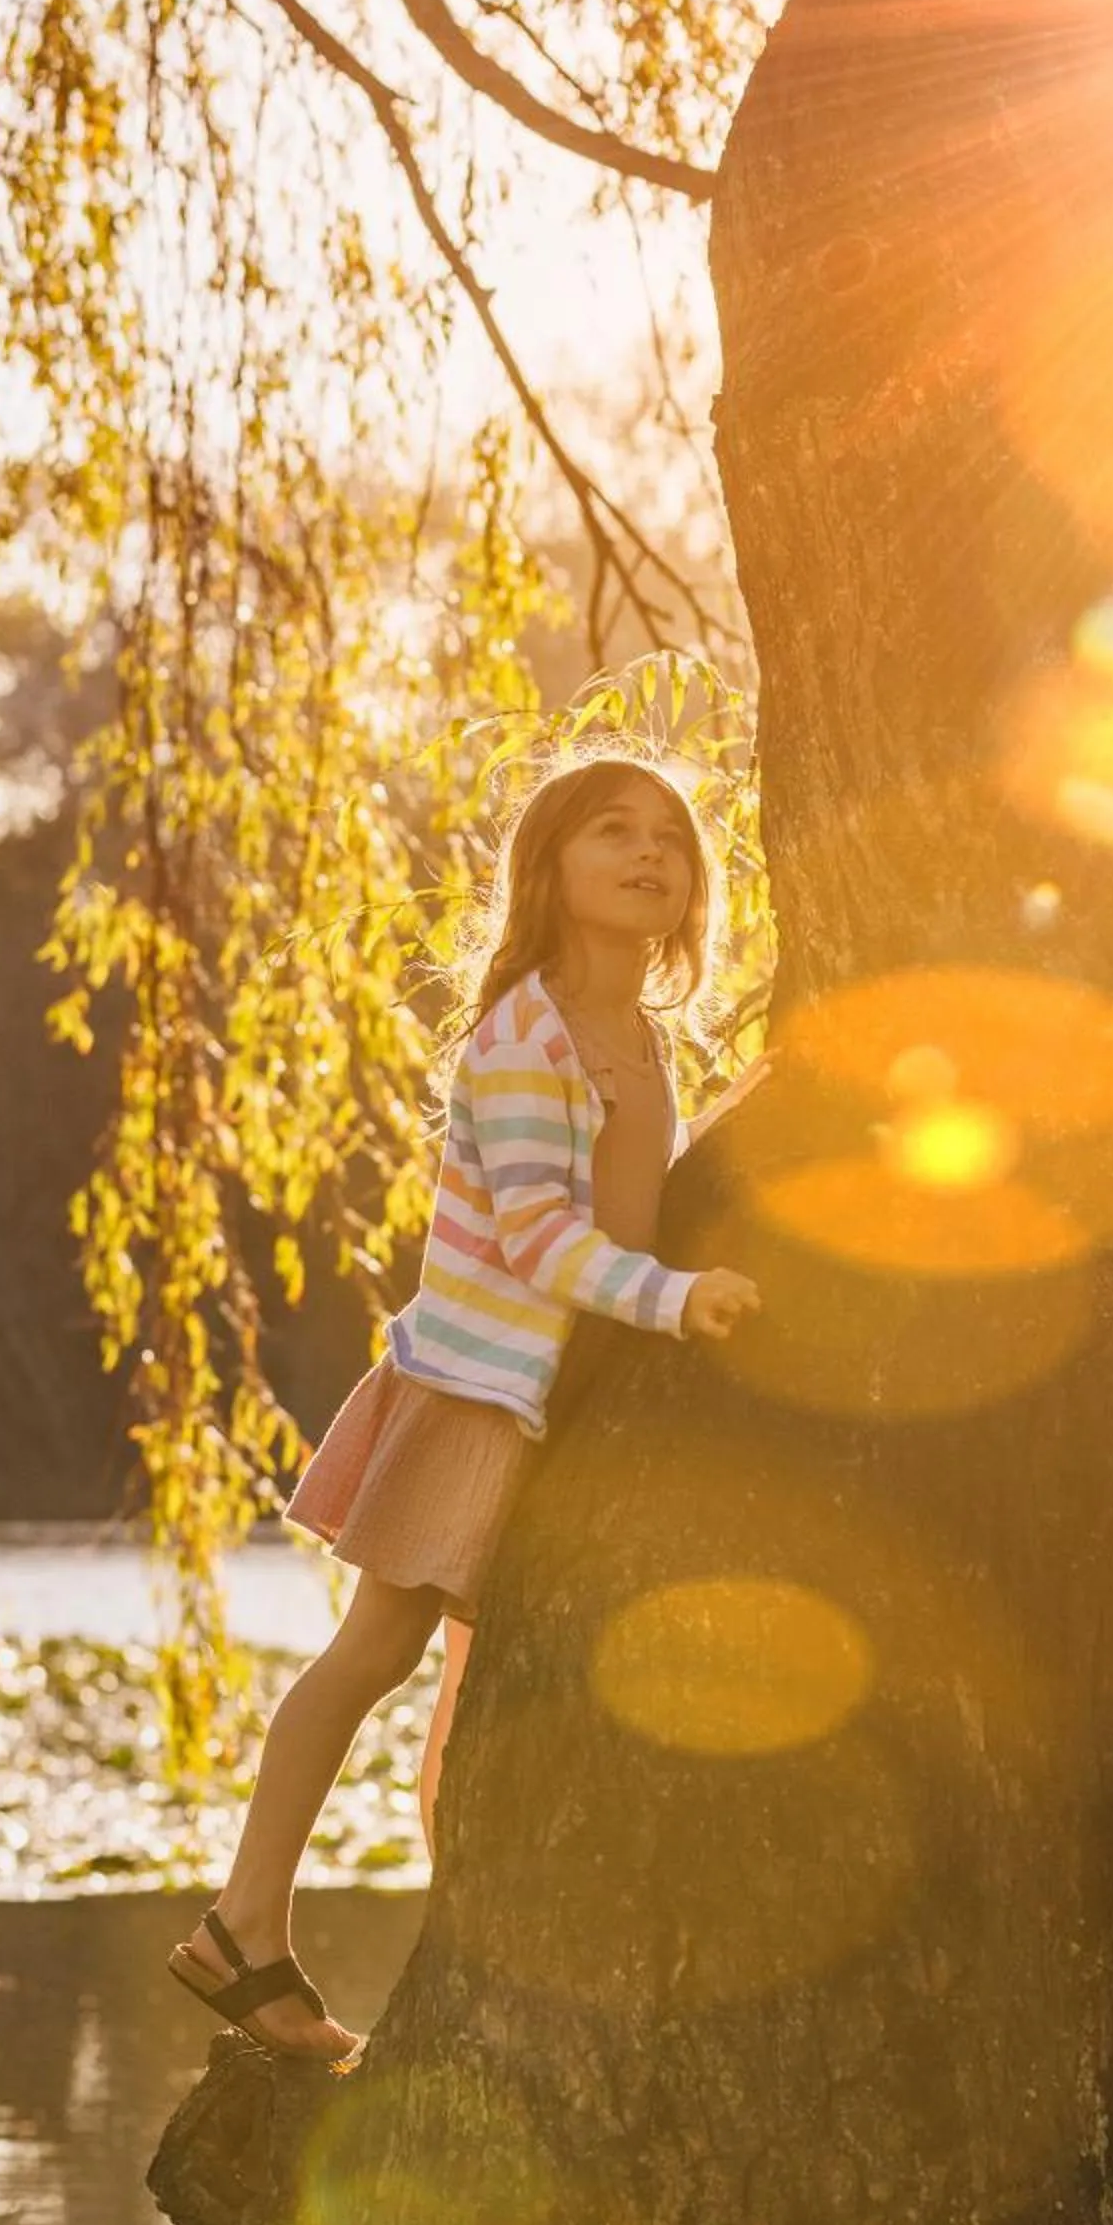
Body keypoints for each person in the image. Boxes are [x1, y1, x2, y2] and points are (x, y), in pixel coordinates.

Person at [166, 749, 764, 2064]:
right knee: (374, 1655)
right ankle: (242, 1925)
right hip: (482, 1394)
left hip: (568, 1406)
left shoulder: (641, 1035)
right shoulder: (523, 1037)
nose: (652, 851)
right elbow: (547, 1239)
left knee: (480, 1682)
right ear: (547, 866)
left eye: (672, 834)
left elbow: (641, 1199)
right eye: (615, 830)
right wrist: (680, 1301)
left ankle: (468, 1940)